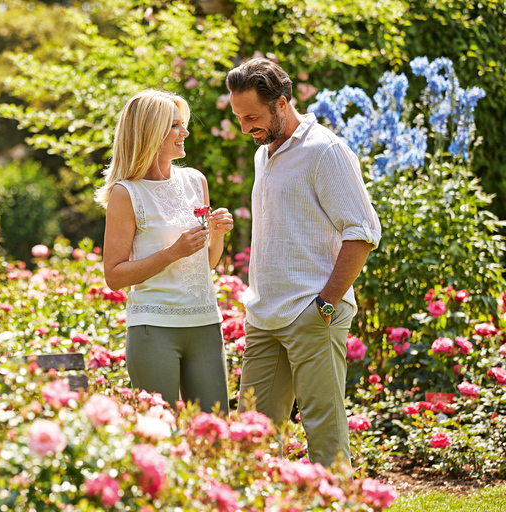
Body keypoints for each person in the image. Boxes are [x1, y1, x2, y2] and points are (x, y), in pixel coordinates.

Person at [226, 58, 382, 466]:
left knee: (324, 433)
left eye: (252, 117)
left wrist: (326, 304)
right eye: (238, 118)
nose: (245, 128)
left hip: (313, 313)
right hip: (263, 316)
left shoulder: (325, 151)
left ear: (281, 103)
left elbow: (362, 231)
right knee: (252, 438)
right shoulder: (265, 153)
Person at [96, 89, 234, 414]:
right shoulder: (125, 193)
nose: (185, 132)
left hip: (205, 323)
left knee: (216, 435)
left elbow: (205, 264)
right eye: (175, 126)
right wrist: (172, 253)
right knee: (162, 435)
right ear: (150, 132)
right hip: (153, 328)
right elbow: (114, 276)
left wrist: (218, 236)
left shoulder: (196, 181)